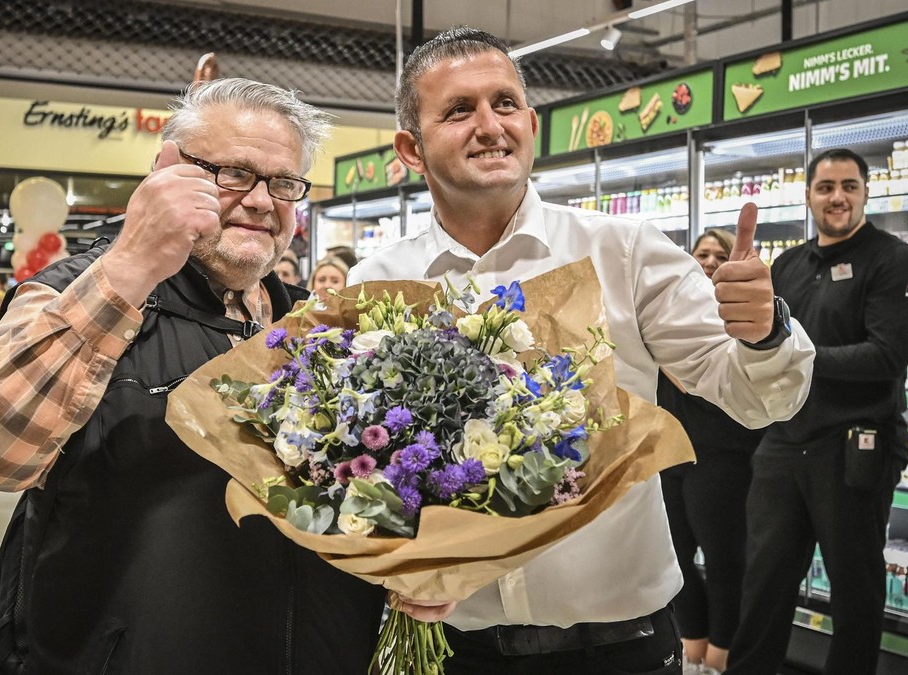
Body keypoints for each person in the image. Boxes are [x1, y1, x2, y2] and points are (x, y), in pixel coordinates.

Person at [347, 28, 815, 675]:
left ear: (532, 124)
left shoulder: (625, 251)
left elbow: (757, 395)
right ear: (410, 148)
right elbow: (355, 467)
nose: (490, 125)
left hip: (619, 648)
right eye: (459, 110)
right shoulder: (373, 283)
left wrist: (764, 331)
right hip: (452, 651)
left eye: (505, 104)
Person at [0, 78, 384, 673]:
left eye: (283, 183)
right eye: (235, 173)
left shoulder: (320, 327)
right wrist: (132, 263)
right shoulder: (74, 293)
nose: (261, 200)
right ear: (167, 172)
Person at [725, 148, 908, 675]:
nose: (837, 196)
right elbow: (763, 350)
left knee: (855, 593)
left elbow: (885, 358)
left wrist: (795, 354)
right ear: (809, 195)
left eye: (849, 186)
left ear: (865, 191)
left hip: (854, 447)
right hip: (782, 445)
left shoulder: (895, 261)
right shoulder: (789, 264)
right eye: (825, 187)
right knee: (762, 587)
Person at [657, 229, 764, 675]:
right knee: (674, 557)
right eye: (702, 254)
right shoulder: (666, 311)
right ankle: (693, 645)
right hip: (669, 453)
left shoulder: (742, 318)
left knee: (723, 560)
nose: (710, 261)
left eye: (720, 256)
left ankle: (722, 654)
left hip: (723, 454)